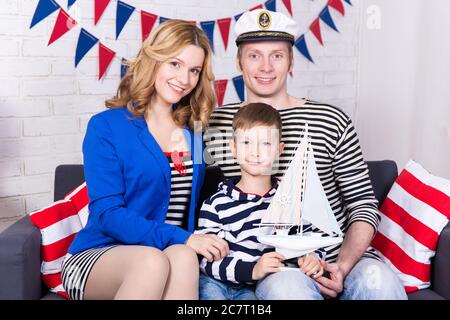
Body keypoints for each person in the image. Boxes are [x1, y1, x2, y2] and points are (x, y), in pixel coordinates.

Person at [204, 9, 407, 300]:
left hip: (337, 255)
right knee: (288, 291)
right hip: (277, 266)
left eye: (276, 55)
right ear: (239, 62)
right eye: (254, 56)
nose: (265, 66)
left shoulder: (331, 119)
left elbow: (363, 205)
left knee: (380, 283)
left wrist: (342, 267)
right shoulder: (218, 124)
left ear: (291, 62)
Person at [61, 19, 228, 300]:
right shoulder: (105, 126)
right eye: (175, 64)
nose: (184, 79)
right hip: (101, 254)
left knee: (186, 258)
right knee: (153, 261)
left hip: (168, 252)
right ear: (154, 60)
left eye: (194, 70)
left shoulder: (195, 133)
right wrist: (183, 238)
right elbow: (107, 214)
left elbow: (199, 203)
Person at [196, 103, 325, 300]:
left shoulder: (289, 200)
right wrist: (252, 270)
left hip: (253, 289)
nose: (255, 152)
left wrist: (312, 258)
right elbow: (206, 260)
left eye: (265, 143)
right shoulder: (215, 204)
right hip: (215, 283)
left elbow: (311, 238)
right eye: (246, 143)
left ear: (278, 150)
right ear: (234, 148)